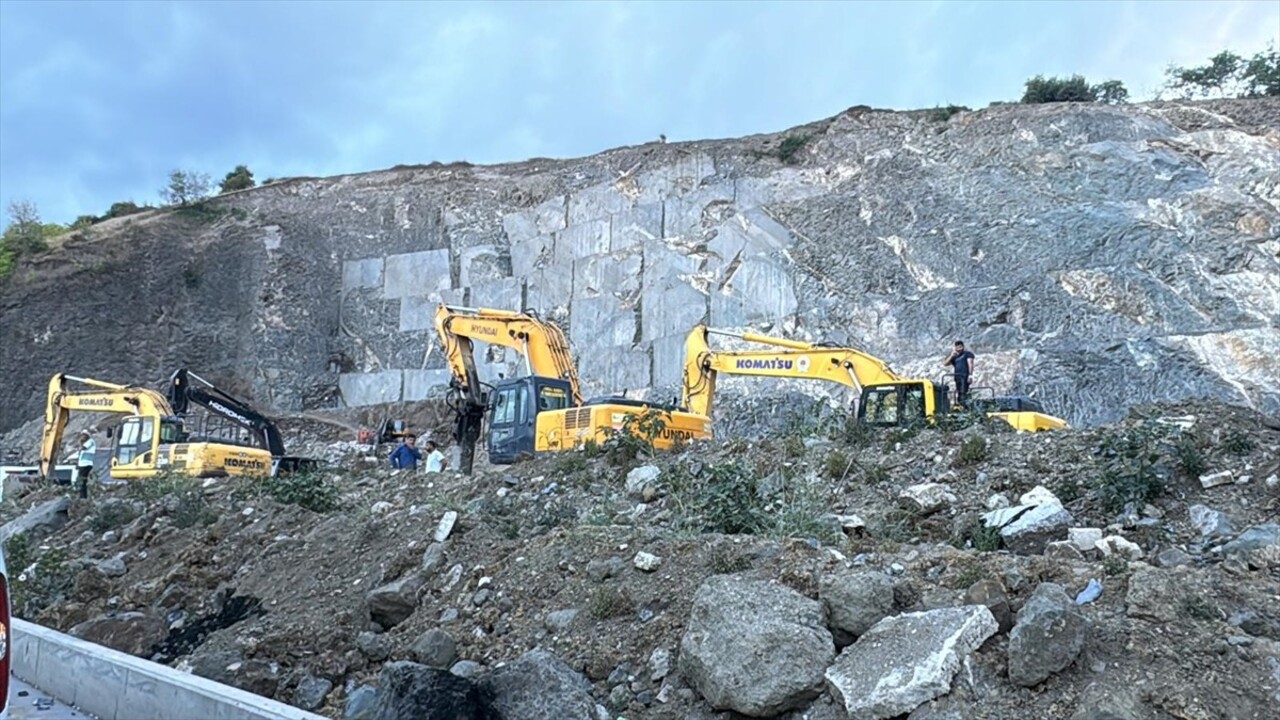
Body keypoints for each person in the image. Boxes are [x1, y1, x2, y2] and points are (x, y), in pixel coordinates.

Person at [943, 339, 975, 406]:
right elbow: (945, 363)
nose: (959, 349)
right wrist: (951, 355)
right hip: (957, 377)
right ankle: (961, 404)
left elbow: (970, 363)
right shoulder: (955, 357)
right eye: (957, 347)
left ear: (963, 347)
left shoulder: (967, 354)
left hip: (964, 376)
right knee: (959, 392)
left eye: (960, 347)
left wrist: (970, 375)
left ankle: (965, 406)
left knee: (963, 393)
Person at [65, 430, 96, 498]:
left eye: (84, 435)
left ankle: (83, 497)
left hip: (86, 464)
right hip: (83, 464)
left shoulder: (90, 441)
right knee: (82, 481)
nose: (82, 437)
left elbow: (83, 448)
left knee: (81, 480)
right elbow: (81, 454)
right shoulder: (87, 443)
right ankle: (82, 496)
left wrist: (80, 442)